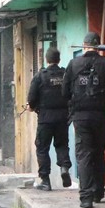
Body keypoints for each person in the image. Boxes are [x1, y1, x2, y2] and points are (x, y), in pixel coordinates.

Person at [63, 32, 105, 208]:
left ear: (84, 45)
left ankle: (86, 197)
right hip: (102, 115)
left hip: (81, 116)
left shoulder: (73, 64)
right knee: (99, 152)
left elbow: (64, 92)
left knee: (84, 154)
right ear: (99, 45)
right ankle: (98, 192)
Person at [26, 47, 72, 191]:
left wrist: (31, 106)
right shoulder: (65, 75)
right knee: (62, 145)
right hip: (63, 118)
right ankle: (64, 168)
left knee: (42, 148)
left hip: (45, 119)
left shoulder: (40, 76)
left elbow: (32, 100)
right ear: (59, 60)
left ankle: (45, 181)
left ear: (46, 60)